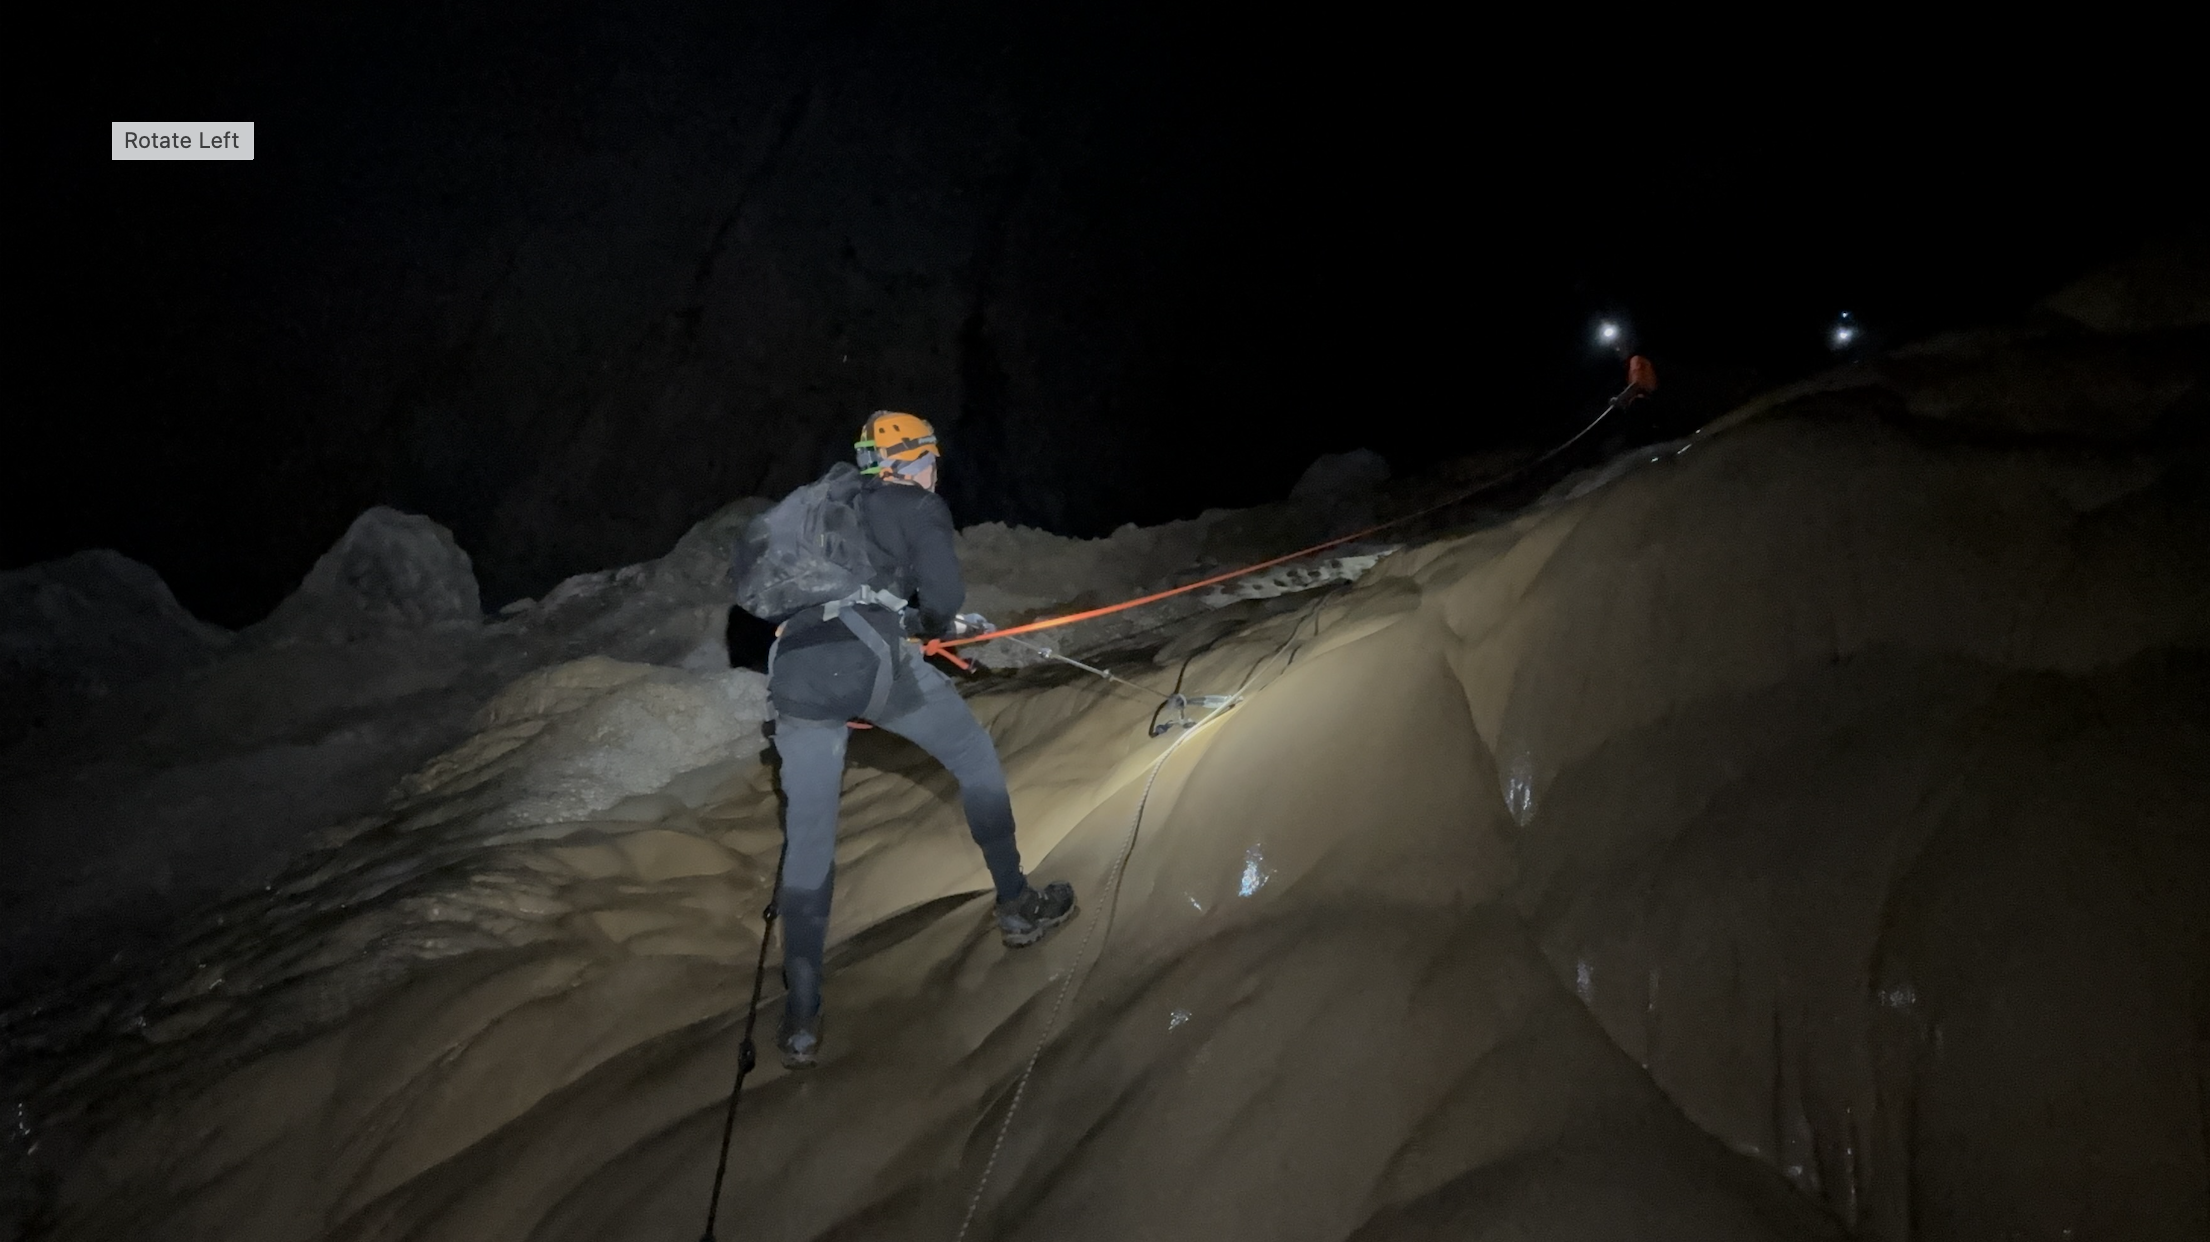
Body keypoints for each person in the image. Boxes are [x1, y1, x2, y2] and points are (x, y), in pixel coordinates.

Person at [764, 410, 1076, 1068]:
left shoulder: (827, 509)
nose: (937, 471)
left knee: (810, 836)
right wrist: (932, 622)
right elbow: (943, 597)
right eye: (932, 458)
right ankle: (1018, 906)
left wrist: (898, 614)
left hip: (794, 672)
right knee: (973, 757)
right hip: (873, 663)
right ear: (910, 461)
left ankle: (801, 1016)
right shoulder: (915, 504)